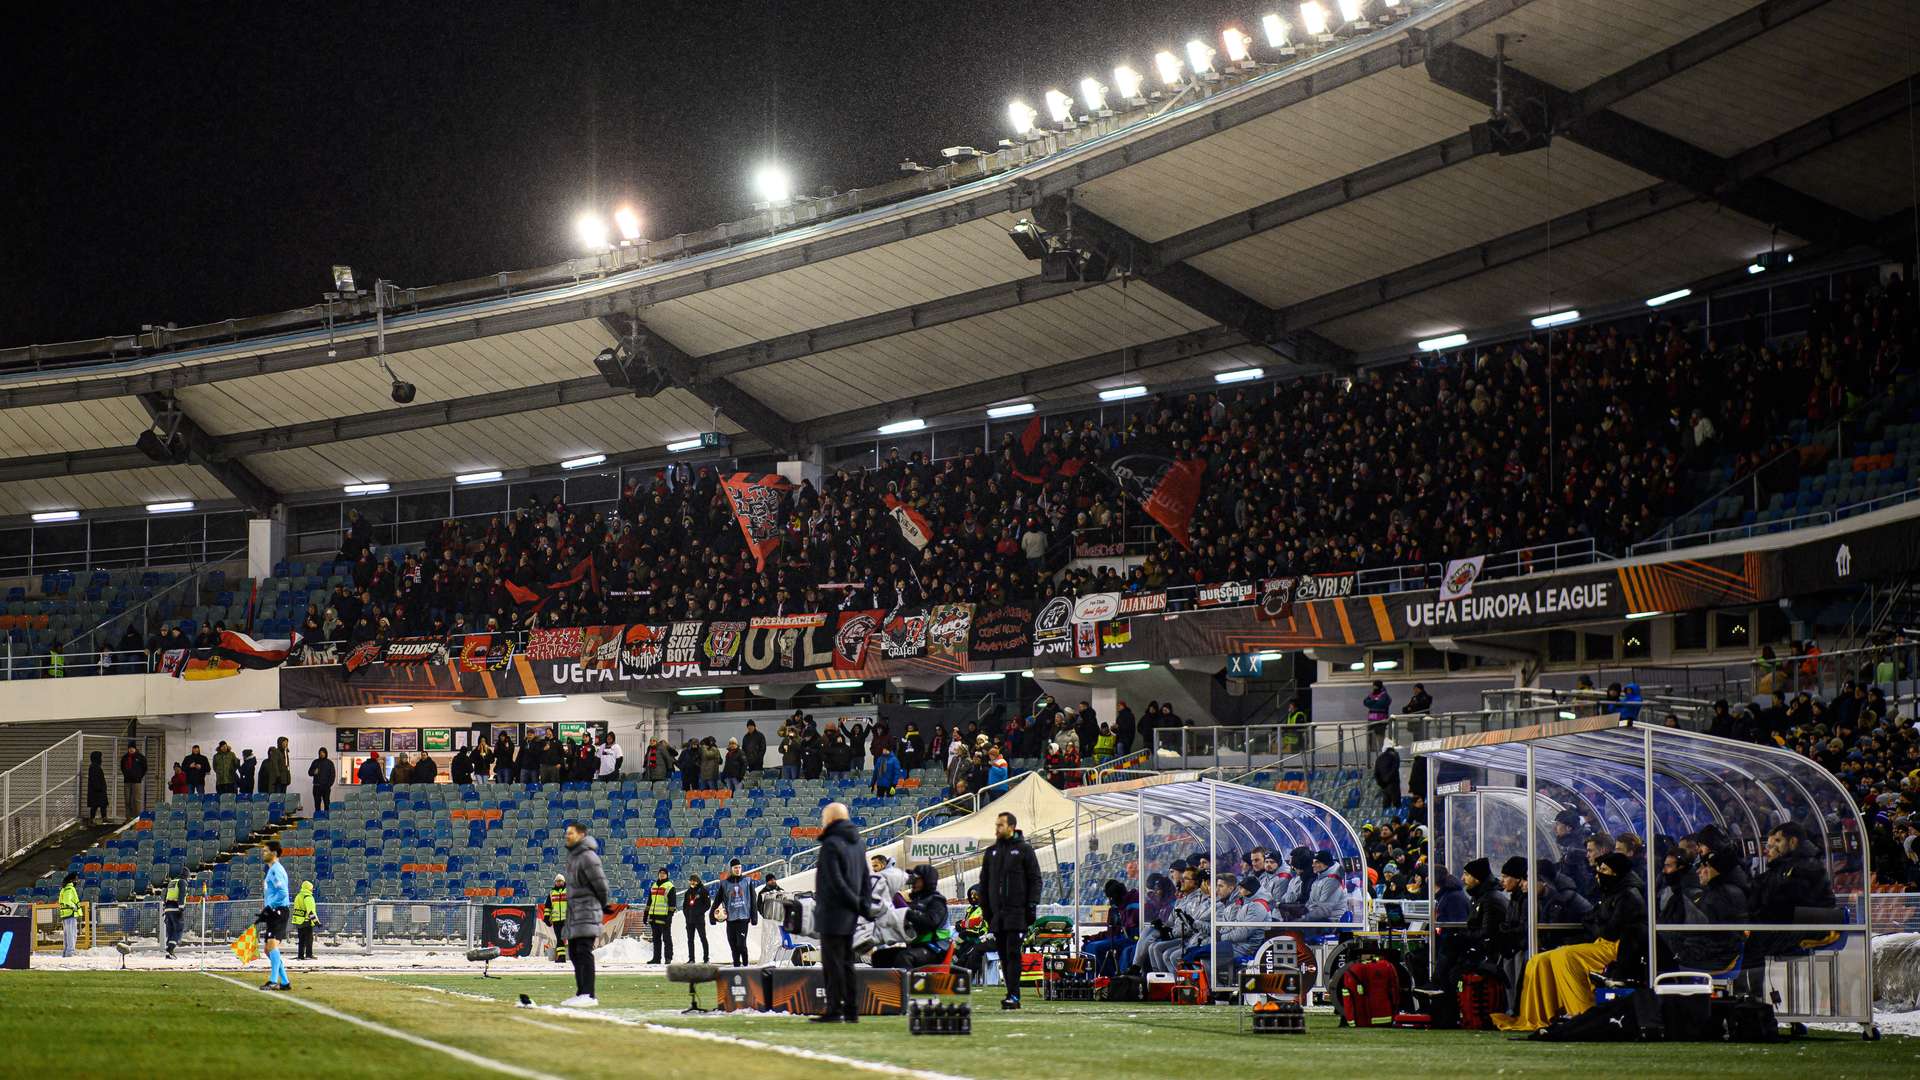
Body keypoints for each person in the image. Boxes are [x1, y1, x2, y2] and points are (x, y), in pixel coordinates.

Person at [1494, 852, 1643, 1031]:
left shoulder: (1628, 895)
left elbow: (1609, 930)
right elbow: (1595, 921)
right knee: (1537, 960)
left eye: (1604, 870)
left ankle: (1581, 1012)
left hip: (1618, 948)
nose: (1598, 875)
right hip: (1601, 943)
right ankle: (1542, 1015)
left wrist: (1593, 923)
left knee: (1564, 955)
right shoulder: (1610, 893)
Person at [812, 801, 870, 1023]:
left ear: (830, 819)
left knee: (833, 964)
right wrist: (862, 904)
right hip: (850, 914)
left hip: (833, 913)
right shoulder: (858, 843)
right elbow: (865, 878)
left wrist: (855, 902)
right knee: (847, 963)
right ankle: (852, 1010)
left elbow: (835, 882)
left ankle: (834, 1009)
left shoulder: (831, 844)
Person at [978, 811, 1042, 1009]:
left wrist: (1031, 905)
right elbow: (984, 882)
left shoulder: (1024, 850)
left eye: (1000, 825)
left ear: (1011, 827)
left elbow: (1035, 880)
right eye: (996, 825)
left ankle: (1014, 995)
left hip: (1017, 913)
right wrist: (986, 910)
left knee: (1013, 953)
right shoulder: (991, 853)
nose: (997, 829)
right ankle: (1011, 993)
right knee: (1004, 955)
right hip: (997, 915)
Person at [1749, 821, 1836, 959]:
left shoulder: (1808, 866)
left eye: (1778, 840)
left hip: (1813, 928)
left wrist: (1759, 913)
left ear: (1793, 842)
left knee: (1750, 940)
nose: (1774, 847)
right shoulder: (1787, 866)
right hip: (1796, 924)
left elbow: (1784, 901)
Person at [1432, 857, 1508, 990]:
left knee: (1455, 970)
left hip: (1485, 952)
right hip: (1476, 947)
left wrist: (1463, 935)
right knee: (1450, 948)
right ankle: (1439, 991)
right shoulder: (1478, 897)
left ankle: (1450, 997)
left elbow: (1487, 932)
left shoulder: (1490, 899)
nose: (1462, 878)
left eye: (1467, 874)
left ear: (1477, 878)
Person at [561, 820, 612, 1007]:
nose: (567, 836)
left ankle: (589, 994)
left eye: (571, 833)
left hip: (587, 911)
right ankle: (581, 992)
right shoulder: (574, 857)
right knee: (574, 952)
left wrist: (601, 904)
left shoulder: (588, 857)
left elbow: (601, 885)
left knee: (583, 951)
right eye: (567, 833)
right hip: (576, 913)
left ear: (582, 835)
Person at [873, 864, 950, 969]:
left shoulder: (936, 901)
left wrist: (907, 913)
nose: (912, 883)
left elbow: (931, 922)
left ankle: (907, 985)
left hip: (935, 949)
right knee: (879, 956)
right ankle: (884, 986)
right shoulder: (916, 901)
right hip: (917, 947)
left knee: (904, 957)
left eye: (916, 880)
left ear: (926, 881)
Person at [258, 840, 292, 991]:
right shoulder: (272, 870)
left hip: (278, 910)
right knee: (267, 949)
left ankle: (273, 981)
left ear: (274, 853)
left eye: (266, 851)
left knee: (272, 945)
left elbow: (283, 893)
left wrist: (270, 907)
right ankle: (284, 982)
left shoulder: (276, 870)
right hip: (274, 911)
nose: (263, 853)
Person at [711, 858, 758, 967]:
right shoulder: (725, 884)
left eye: (739, 867)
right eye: (735, 868)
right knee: (733, 944)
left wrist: (754, 917)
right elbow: (717, 900)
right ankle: (736, 965)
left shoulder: (747, 881)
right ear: (731, 869)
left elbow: (753, 900)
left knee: (741, 944)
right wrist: (711, 916)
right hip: (730, 919)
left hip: (743, 918)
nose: (738, 869)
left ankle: (746, 964)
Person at [645, 866, 677, 964]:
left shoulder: (670, 886)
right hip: (654, 917)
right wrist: (645, 914)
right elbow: (649, 902)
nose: (661, 874)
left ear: (666, 875)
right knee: (656, 939)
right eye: (660, 873)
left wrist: (669, 916)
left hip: (664, 917)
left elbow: (672, 903)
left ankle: (668, 958)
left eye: (663, 873)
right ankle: (656, 958)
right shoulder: (654, 885)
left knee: (667, 939)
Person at [683, 871, 712, 963]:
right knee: (690, 940)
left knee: (703, 938)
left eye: (694, 881)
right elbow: (685, 906)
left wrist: (699, 912)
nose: (692, 882)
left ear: (698, 881)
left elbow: (707, 905)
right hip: (689, 920)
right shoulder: (688, 892)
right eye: (691, 880)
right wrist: (687, 916)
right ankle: (691, 959)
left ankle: (706, 958)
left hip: (699, 920)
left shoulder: (703, 891)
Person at [161, 867, 186, 958]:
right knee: (178, 928)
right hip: (176, 907)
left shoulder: (172, 882)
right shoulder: (182, 882)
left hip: (168, 908)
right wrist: (181, 907)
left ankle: (169, 952)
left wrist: (164, 907)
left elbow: (165, 894)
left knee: (170, 930)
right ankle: (171, 949)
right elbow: (182, 894)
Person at [291, 880, 319, 960]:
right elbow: (311, 911)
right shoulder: (308, 897)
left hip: (298, 921)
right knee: (309, 939)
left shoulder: (298, 896)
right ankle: (309, 955)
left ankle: (300, 955)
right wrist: (316, 922)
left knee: (301, 939)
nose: (312, 890)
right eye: (311, 888)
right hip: (307, 921)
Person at [547, 874, 570, 963]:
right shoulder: (551, 893)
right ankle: (561, 957)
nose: (558, 882)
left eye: (560, 881)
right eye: (557, 881)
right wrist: (546, 917)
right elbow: (548, 907)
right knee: (559, 939)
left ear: (564, 881)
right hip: (556, 920)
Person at [58, 873, 81, 957]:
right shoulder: (70, 888)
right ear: (72, 880)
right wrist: (74, 906)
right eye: (76, 879)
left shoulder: (63, 889)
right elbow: (67, 901)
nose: (77, 881)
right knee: (72, 934)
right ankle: (70, 952)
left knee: (67, 934)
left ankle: (66, 952)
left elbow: (61, 901)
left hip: (65, 914)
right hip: (70, 914)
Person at [1373, 740, 1401, 809]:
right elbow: (1395, 769)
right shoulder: (1395, 755)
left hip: (1384, 786)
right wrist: (1388, 780)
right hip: (1393, 784)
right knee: (1396, 805)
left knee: (1386, 806)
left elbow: (1376, 773)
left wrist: (1382, 783)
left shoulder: (1379, 758)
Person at [308, 748, 336, 814]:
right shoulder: (315, 762)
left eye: (323, 752)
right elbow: (309, 772)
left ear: (326, 753)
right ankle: (318, 818)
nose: (322, 754)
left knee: (327, 803)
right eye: (320, 753)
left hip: (326, 787)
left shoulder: (330, 763)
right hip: (316, 786)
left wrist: (329, 785)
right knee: (317, 804)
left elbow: (333, 775)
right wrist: (314, 772)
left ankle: (327, 818)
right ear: (319, 753)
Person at [85, 750, 109, 822]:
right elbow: (95, 779)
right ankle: (93, 819)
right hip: (97, 791)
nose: (101, 759)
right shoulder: (94, 767)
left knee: (101, 805)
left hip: (98, 790)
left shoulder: (95, 766)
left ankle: (103, 818)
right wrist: (100, 788)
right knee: (95, 805)